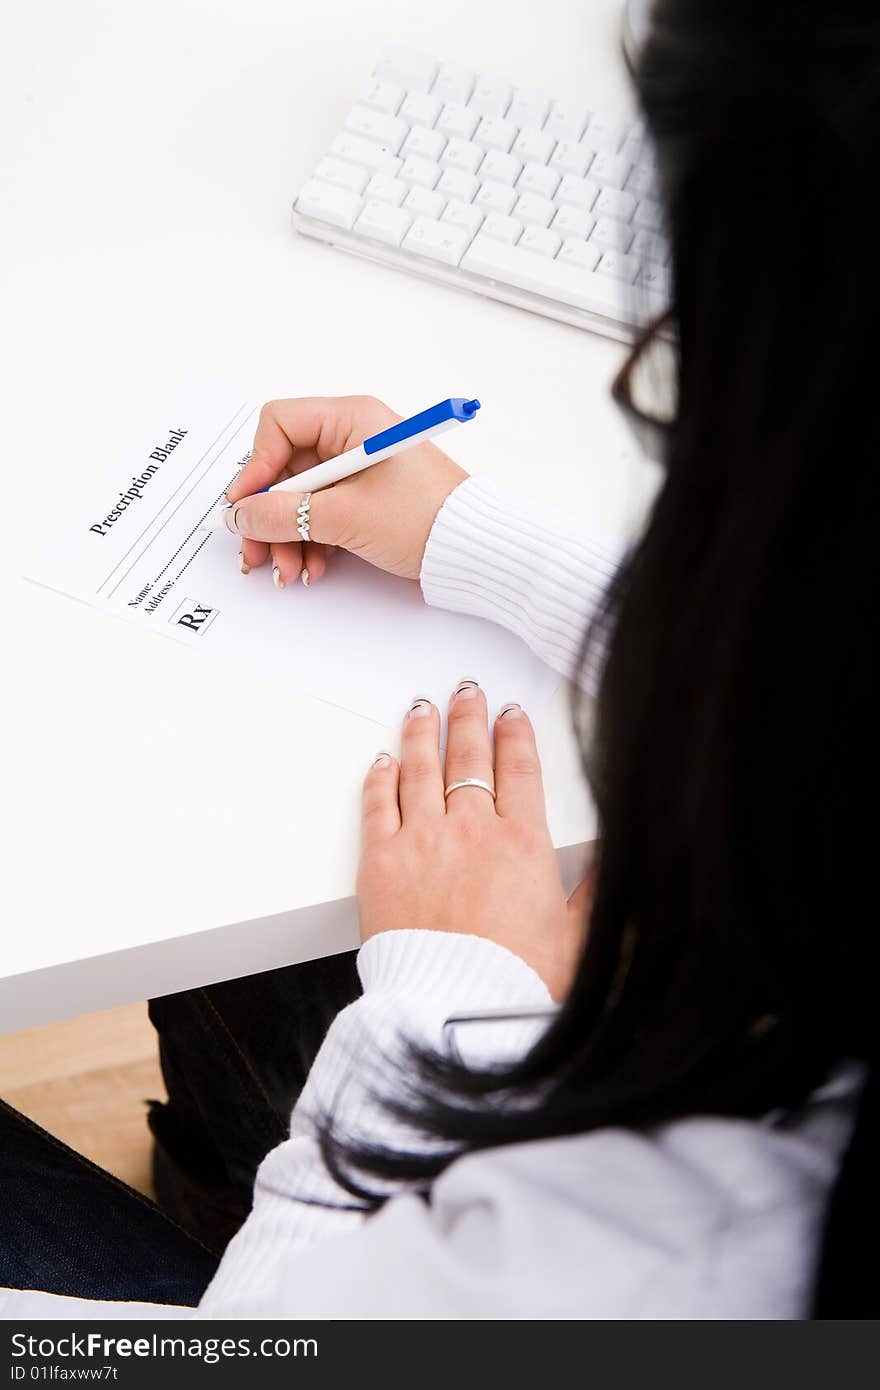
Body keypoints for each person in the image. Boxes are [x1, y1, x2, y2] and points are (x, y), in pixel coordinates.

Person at [1, 0, 877, 1318]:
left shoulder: (685, 1255)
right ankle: (210, 1167)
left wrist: (445, 999)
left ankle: (218, 1188)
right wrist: (475, 537)